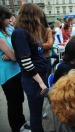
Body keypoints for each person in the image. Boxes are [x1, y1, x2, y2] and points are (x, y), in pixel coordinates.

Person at [11, 3, 48, 132]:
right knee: (36, 114)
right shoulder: (20, 33)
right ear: (31, 16)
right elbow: (26, 62)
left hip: (37, 78)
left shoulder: (26, 32)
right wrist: (41, 82)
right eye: (38, 16)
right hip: (33, 80)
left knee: (37, 112)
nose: (39, 19)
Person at [0, 5, 29, 132]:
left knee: (19, 99)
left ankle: (21, 122)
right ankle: (16, 128)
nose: (10, 20)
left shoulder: (6, 31)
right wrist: (13, 55)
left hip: (15, 71)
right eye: (8, 18)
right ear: (1, 18)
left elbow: (14, 52)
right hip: (8, 75)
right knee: (13, 102)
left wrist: (13, 54)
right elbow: (13, 55)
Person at [41, 12, 54, 79]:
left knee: (47, 77)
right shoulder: (32, 30)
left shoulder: (47, 29)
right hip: (35, 59)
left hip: (46, 57)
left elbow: (50, 44)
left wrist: (36, 46)